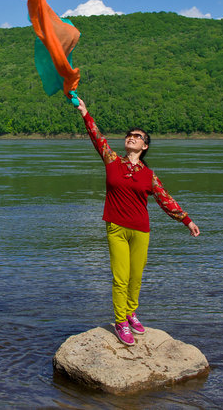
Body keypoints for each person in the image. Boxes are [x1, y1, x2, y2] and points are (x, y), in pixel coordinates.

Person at [75, 97, 200, 346]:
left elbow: (166, 200)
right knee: (120, 277)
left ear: (144, 146)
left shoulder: (149, 175)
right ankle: (121, 321)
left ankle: (131, 312)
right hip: (116, 227)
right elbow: (96, 137)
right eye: (129, 135)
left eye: (137, 136)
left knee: (136, 277)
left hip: (141, 229)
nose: (131, 137)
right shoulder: (112, 161)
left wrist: (186, 220)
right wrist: (84, 112)